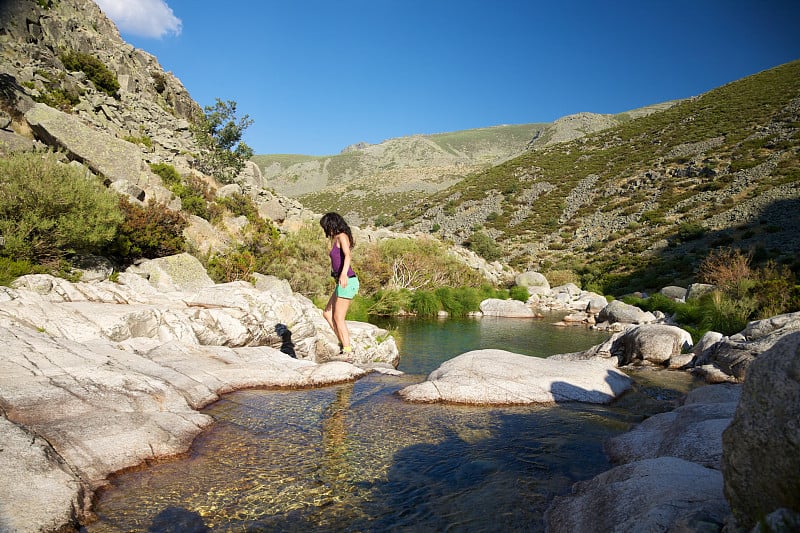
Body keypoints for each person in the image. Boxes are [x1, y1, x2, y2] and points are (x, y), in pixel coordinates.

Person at [320, 212, 360, 356]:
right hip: (342, 281)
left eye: (326, 226)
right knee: (327, 313)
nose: (325, 230)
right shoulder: (336, 237)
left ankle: (347, 350)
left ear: (332, 224)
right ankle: (343, 342)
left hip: (347, 280)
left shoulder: (342, 236)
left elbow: (348, 255)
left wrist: (343, 274)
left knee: (338, 317)